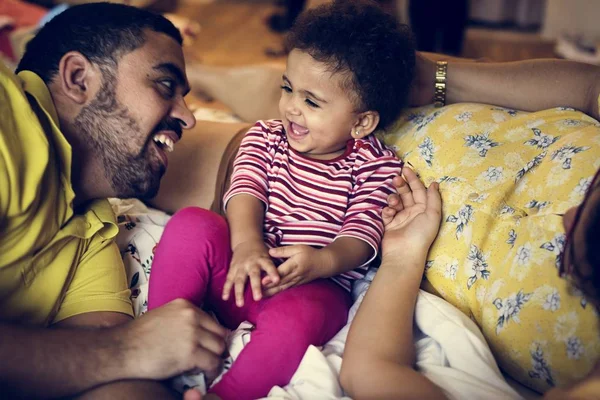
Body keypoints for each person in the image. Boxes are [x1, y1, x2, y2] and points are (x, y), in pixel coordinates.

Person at [146, 1, 414, 399]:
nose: (291, 108)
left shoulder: (376, 166)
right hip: (238, 269)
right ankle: (159, 343)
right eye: (287, 88)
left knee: (302, 318)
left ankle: (225, 395)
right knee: (190, 224)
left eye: (311, 102)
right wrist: (247, 245)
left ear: (361, 122)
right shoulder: (265, 137)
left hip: (308, 285)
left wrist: (322, 261)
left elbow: (362, 235)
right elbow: (244, 191)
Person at [0, 3, 229, 398]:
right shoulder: (7, 120)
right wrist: (127, 348)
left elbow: (106, 370)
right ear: (78, 78)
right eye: (164, 85)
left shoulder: (94, 227)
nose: (189, 119)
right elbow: (119, 352)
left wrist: (129, 353)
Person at [340, 57, 600, 399]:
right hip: (408, 110)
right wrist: (435, 77)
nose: (564, 218)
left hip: (356, 202)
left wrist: (401, 260)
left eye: (583, 225)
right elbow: (592, 86)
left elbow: (371, 372)